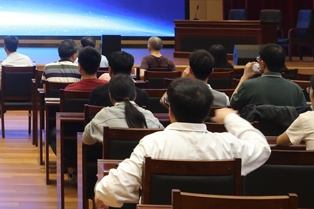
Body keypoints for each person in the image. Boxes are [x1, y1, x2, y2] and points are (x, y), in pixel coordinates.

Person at [94, 78, 271, 208]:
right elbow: (262, 147)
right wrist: (230, 117)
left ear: (170, 109)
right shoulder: (228, 145)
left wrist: (135, 193)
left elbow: (108, 191)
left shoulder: (153, 144)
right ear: (206, 111)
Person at [82, 74, 163, 144]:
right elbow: (162, 138)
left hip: (113, 158)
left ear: (110, 97)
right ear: (135, 96)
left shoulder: (102, 116)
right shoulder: (149, 117)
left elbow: (86, 140)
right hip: (143, 158)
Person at [229, 44, 306, 111]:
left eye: (258, 59)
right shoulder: (296, 89)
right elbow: (303, 113)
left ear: (263, 63)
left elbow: (232, 105)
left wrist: (244, 77)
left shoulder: (248, 85)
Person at [0, 35, 33, 134]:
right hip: (27, 98)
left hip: (7, 99)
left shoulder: (4, 64)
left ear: (5, 47)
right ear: (17, 46)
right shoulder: (28, 60)